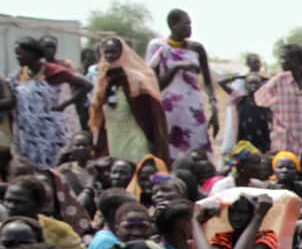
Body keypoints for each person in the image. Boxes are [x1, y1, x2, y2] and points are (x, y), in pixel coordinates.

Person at [145, 10, 217, 157]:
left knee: (198, 148)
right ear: (173, 25)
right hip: (169, 109)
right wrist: (176, 67)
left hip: (193, 108)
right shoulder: (158, 47)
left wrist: (214, 107)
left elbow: (208, 82)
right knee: (170, 150)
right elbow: (153, 84)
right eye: (186, 24)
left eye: (190, 24)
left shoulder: (196, 48)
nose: (190, 28)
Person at [12, 36, 91, 168]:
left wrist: (65, 104)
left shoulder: (52, 70)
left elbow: (87, 85)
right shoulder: (21, 73)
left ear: (32, 53)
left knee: (54, 167)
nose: (17, 57)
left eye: (20, 53)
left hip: (51, 132)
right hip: (29, 132)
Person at [90, 37, 170, 165]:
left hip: (134, 139)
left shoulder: (135, 79)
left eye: (114, 52)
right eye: (107, 52)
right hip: (113, 138)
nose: (110, 56)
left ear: (122, 53)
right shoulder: (103, 79)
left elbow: (150, 112)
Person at [254, 43, 302, 167]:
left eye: (284, 58)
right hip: (285, 148)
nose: (282, 61)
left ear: (296, 60)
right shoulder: (277, 82)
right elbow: (259, 100)